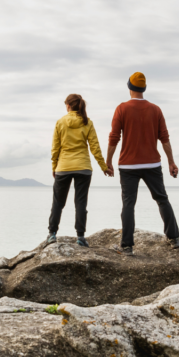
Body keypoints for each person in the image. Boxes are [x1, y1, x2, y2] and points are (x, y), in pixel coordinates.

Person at [104, 72, 179, 255]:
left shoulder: (121, 109)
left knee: (128, 204)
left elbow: (114, 138)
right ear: (144, 89)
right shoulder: (156, 109)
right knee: (162, 199)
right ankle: (174, 238)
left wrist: (108, 162)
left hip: (128, 166)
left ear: (129, 88)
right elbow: (165, 139)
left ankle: (127, 246)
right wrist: (171, 162)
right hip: (152, 164)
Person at [46, 93, 111, 247]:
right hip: (83, 167)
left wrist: (54, 167)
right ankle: (80, 237)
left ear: (68, 106)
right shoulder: (87, 122)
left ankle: (52, 234)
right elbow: (95, 147)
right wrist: (104, 166)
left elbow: (55, 148)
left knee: (58, 203)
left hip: (64, 167)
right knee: (80, 202)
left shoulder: (60, 122)